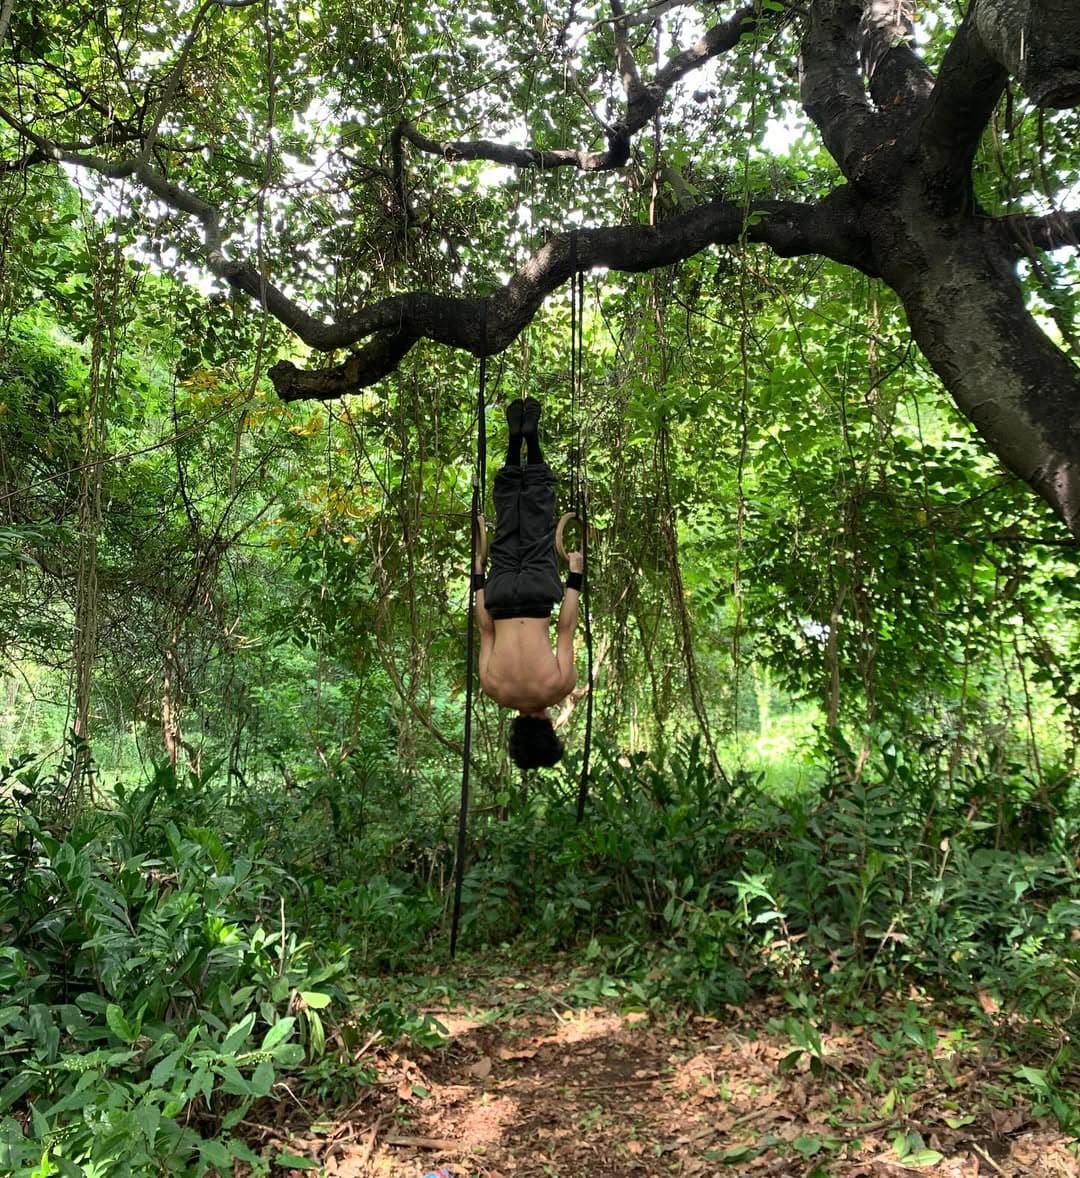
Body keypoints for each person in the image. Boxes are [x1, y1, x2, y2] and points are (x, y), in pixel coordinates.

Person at [472, 396, 584, 769]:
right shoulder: (495, 690)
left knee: (536, 517)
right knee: (507, 520)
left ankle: (530, 441)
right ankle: (512, 442)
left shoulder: (559, 687)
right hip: (500, 596)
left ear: (551, 729)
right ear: (517, 733)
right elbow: (485, 628)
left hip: (538, 595)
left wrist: (575, 574)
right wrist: (478, 576)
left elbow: (566, 625)